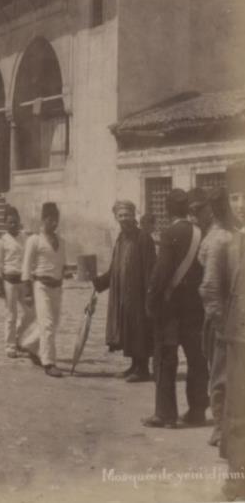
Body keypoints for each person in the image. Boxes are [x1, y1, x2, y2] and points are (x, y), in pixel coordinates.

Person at [143, 188, 209, 429]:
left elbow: (162, 273)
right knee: (197, 360)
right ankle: (198, 411)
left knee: (165, 359)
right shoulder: (200, 233)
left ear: (169, 210)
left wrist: (151, 302)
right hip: (195, 310)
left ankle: (165, 414)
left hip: (170, 311)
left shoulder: (170, 233)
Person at [92, 200, 157, 382]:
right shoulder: (121, 238)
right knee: (128, 329)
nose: (124, 219)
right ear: (116, 217)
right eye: (120, 216)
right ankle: (134, 365)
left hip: (139, 294)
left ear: (134, 215)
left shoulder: (143, 238)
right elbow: (115, 267)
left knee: (139, 329)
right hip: (122, 294)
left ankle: (142, 369)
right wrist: (101, 282)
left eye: (127, 215)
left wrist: (149, 298)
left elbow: (150, 270)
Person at [198, 187, 239, 447]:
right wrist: (222, 323)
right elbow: (210, 287)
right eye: (231, 202)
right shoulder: (218, 240)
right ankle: (218, 428)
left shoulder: (231, 235)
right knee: (222, 376)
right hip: (223, 320)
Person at [220, 161, 245, 500]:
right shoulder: (235, 240)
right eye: (236, 197)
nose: (240, 205)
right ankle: (237, 478)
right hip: (238, 337)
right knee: (236, 408)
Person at [22, 202, 66, 378]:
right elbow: (26, 267)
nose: (54, 223)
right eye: (50, 219)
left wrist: (63, 276)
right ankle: (49, 362)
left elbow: (62, 263)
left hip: (57, 287)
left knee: (52, 324)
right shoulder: (34, 240)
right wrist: (27, 292)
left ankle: (30, 345)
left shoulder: (61, 241)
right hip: (41, 287)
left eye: (56, 219)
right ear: (43, 220)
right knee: (46, 324)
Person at [0, 205, 38, 360]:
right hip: (9, 283)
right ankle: (10, 346)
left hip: (24, 281)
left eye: (15, 222)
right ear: (4, 224)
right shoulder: (1, 242)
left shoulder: (25, 238)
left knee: (31, 313)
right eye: (10, 222)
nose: (13, 225)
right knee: (11, 315)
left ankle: (17, 337)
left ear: (20, 222)